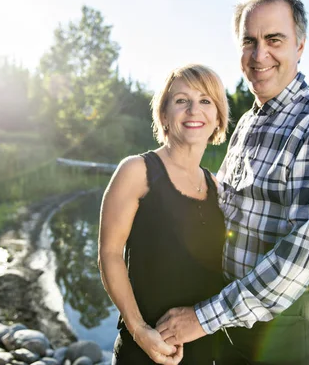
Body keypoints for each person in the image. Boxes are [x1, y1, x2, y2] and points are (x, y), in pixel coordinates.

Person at [156, 0, 309, 365]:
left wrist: (202, 318)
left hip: (286, 320)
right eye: (249, 41)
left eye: (274, 39)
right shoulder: (249, 121)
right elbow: (229, 206)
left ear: (299, 46)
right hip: (234, 310)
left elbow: (301, 254)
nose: (259, 54)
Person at [98, 64, 231, 364]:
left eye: (206, 101)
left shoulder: (216, 186)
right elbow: (109, 254)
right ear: (164, 115)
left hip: (204, 349)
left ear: (218, 118)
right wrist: (139, 329)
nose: (194, 109)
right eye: (182, 100)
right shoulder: (136, 171)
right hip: (145, 349)